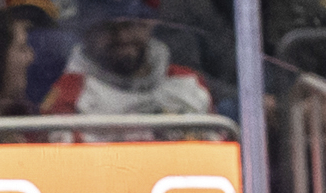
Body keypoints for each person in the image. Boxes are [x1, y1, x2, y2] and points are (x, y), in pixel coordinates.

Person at [39, 0, 213, 117]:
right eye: (108, 28)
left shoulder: (189, 84)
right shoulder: (70, 98)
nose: (122, 37)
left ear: (149, 24)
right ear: (87, 32)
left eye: (130, 24)